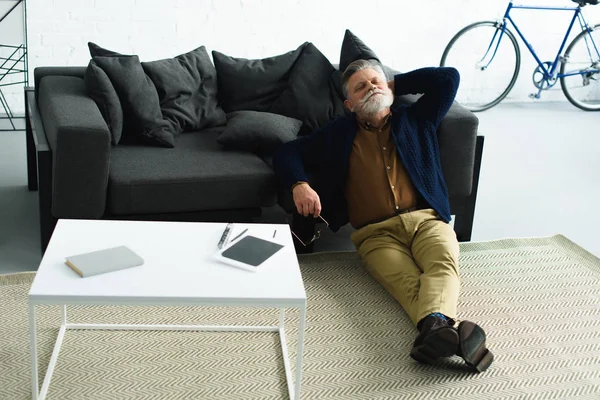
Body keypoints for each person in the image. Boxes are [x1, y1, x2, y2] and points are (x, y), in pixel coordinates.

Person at [273, 59, 493, 372]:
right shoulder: (337, 134)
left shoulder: (418, 117)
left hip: (427, 220)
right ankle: (449, 332)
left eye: (375, 81)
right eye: (360, 87)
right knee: (405, 282)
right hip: (375, 234)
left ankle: (435, 329)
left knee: (442, 264)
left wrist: (392, 84)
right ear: (350, 104)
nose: (371, 87)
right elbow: (286, 152)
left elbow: (448, 78)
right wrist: (300, 185)